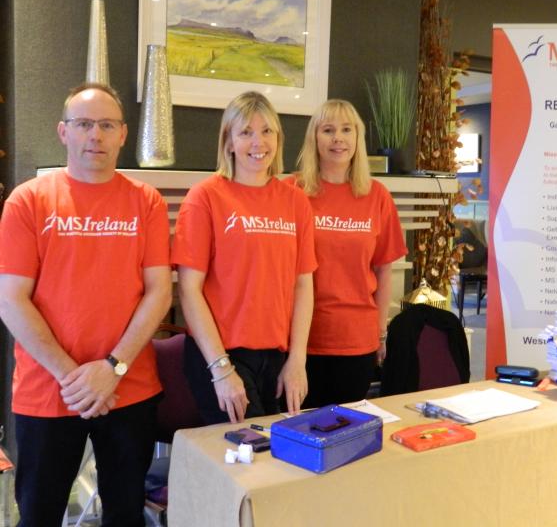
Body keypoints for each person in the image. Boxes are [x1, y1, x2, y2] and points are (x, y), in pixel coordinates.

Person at [0, 83, 172, 527]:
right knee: (38, 515)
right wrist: (74, 378)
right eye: (83, 124)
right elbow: (11, 300)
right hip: (48, 391)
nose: (95, 135)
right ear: (63, 132)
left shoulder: (146, 202)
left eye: (106, 125)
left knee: (125, 514)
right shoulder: (28, 201)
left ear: (123, 134)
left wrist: (111, 368)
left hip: (128, 388)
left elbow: (159, 292)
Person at [172, 91, 316, 424]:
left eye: (267, 131)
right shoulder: (205, 197)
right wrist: (221, 369)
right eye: (246, 132)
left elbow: (303, 285)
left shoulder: (295, 202)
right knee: (248, 464)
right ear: (229, 141)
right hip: (221, 356)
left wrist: (297, 360)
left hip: (277, 358)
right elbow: (189, 290)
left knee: (278, 461)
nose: (258, 142)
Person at [293, 99, 408, 407]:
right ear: (314, 138)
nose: (338, 139)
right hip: (300, 339)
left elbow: (384, 270)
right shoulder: (293, 192)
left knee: (346, 436)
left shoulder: (377, 196)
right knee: (300, 435)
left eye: (347, 130)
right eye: (328, 130)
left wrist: (380, 331)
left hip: (356, 340)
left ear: (358, 138)